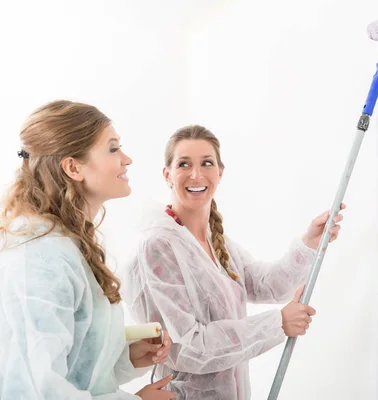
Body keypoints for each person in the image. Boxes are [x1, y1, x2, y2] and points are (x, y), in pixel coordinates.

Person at [120, 124, 345, 399]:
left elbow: (268, 285)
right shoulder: (158, 248)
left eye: (206, 163)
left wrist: (310, 241)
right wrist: (277, 324)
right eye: (184, 164)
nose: (196, 174)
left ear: (220, 173)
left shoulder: (217, 242)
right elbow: (186, 348)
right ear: (167, 175)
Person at [0, 100, 176, 399]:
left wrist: (123, 357)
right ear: (73, 167)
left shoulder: (68, 246)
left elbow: (74, 365)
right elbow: (34, 392)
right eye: (112, 148)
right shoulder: (40, 259)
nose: (127, 159)